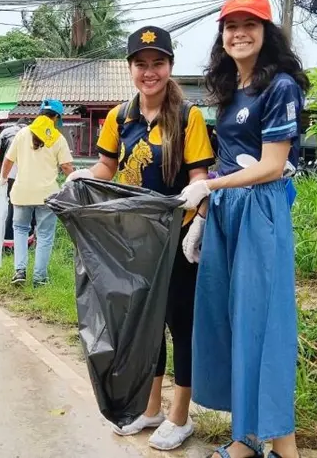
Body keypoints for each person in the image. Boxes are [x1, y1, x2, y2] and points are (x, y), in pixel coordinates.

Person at [66, 26, 215, 450]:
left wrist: (198, 215)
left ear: (170, 67)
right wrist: (81, 177)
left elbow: (199, 177)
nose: (150, 72)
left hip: (176, 240)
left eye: (158, 64)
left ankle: (179, 415)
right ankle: (150, 409)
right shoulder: (119, 116)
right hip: (133, 242)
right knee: (145, 328)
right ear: (130, 68)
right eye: (141, 64)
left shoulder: (189, 117)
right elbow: (107, 169)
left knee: (179, 325)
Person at [177, 0, 309, 458]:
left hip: (260, 211)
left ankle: (282, 445)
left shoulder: (281, 88)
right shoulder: (230, 90)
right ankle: (247, 439)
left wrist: (211, 189)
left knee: (262, 323)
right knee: (228, 322)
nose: (238, 33)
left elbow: (273, 165)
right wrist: (206, 215)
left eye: (249, 25)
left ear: (266, 32)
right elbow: (228, 160)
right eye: (230, 25)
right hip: (228, 213)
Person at [1, 99, 75, 287]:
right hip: (47, 195)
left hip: (21, 192)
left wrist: (3, 178)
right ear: (56, 117)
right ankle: (40, 278)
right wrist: (78, 180)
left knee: (20, 230)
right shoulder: (58, 137)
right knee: (45, 235)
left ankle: (19, 271)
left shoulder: (22, 133)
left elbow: (8, 160)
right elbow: (66, 166)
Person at [0, 119, 35, 250]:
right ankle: (26, 240)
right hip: (25, 175)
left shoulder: (5, 132)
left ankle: (6, 241)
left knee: (10, 206)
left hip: (8, 174)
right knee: (27, 206)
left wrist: (1, 170)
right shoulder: (31, 133)